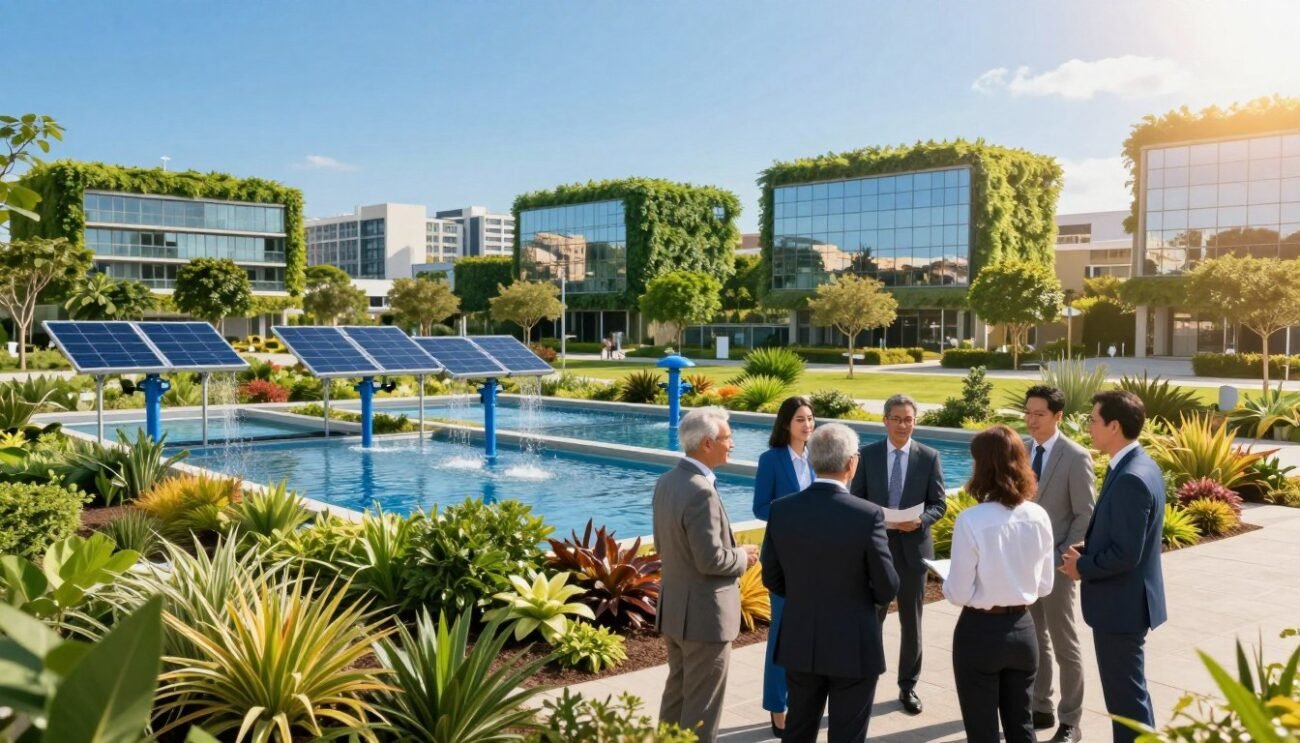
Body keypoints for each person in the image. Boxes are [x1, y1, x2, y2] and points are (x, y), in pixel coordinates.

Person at [761, 423, 898, 743]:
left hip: (800, 641)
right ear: (852, 463)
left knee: (797, 731)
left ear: (810, 460)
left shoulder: (782, 510)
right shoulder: (867, 514)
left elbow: (772, 578)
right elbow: (887, 585)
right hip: (853, 645)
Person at [1061, 391, 1167, 743]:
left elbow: (1126, 553)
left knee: (1125, 701)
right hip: (1127, 604)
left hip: (1121, 608)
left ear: (1115, 426)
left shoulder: (1131, 478)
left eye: (1093, 420)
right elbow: (1125, 534)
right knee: (1131, 693)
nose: (1088, 426)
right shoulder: (1137, 465)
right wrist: (1088, 548)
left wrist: (1083, 566)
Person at [943, 424, 1056, 743]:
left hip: (979, 633)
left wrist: (949, 580)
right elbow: (1045, 585)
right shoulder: (1038, 516)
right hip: (1023, 630)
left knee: (982, 731)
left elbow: (959, 593)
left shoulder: (972, 520)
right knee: (1022, 726)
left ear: (982, 467)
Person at [652, 406, 759, 742]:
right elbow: (711, 560)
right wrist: (742, 556)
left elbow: (663, 546)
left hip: (676, 613)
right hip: (704, 618)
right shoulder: (701, 490)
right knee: (702, 709)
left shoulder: (667, 481)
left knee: (677, 695)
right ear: (708, 444)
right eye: (728, 438)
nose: (733, 445)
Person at [849, 393, 946, 715]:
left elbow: (939, 504)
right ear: (885, 421)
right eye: (897, 419)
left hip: (913, 549)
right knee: (869, 619)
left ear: (915, 421)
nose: (903, 425)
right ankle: (865, 682)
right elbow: (856, 498)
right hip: (876, 549)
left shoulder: (929, 456)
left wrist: (921, 520)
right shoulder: (867, 455)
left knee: (911, 622)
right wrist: (876, 520)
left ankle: (908, 687)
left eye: (909, 419)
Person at [1022, 386, 1094, 743]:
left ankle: (1071, 721)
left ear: (1058, 416)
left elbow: (1085, 515)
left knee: (1065, 643)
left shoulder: (1075, 456)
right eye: (1028, 413)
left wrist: (1066, 557)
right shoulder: (1020, 451)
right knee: (1035, 638)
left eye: (1039, 414)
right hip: (1023, 567)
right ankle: (1041, 705)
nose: (1031, 421)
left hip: (1059, 567)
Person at [752, 396, 816, 738]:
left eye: (810, 419)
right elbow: (761, 507)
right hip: (783, 562)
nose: (807, 425)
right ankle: (778, 707)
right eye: (800, 420)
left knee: (811, 636)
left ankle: (804, 700)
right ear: (786, 425)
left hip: (818, 562)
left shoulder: (819, 458)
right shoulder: (771, 460)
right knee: (781, 636)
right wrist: (796, 511)